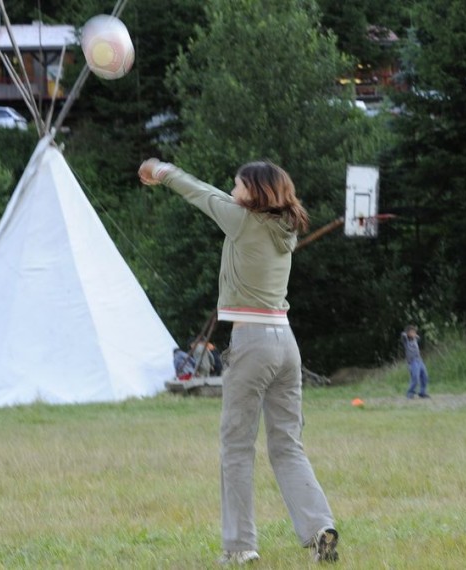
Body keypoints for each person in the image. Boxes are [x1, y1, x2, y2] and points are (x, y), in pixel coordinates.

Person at [139, 158, 338, 565]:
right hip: (286, 343)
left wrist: (161, 170)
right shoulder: (286, 228)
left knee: (237, 446)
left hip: (252, 343)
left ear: (255, 192)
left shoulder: (244, 222)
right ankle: (320, 527)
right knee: (287, 445)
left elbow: (201, 193)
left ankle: (239, 546)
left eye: (237, 185)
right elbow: (218, 196)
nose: (232, 191)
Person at [400, 325, 430, 399]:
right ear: (408, 333)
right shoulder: (406, 340)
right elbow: (403, 335)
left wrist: (414, 335)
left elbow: (418, 337)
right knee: (415, 377)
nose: (414, 334)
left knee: (424, 376)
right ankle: (410, 393)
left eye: (414, 332)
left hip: (419, 360)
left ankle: (422, 392)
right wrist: (408, 334)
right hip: (412, 362)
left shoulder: (415, 339)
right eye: (412, 332)